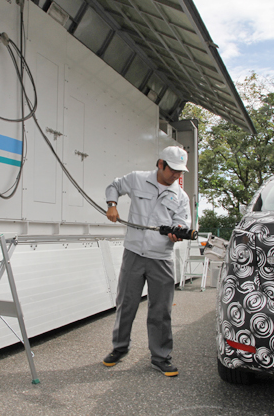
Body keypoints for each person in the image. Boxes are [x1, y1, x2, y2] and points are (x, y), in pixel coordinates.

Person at [102, 146, 191, 376]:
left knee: (161, 310)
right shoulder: (137, 179)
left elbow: (183, 222)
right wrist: (112, 205)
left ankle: (161, 357)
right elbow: (114, 186)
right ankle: (119, 348)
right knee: (126, 303)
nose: (177, 176)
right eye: (173, 170)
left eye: (181, 172)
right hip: (134, 253)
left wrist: (178, 231)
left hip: (161, 258)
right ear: (160, 164)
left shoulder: (180, 196)